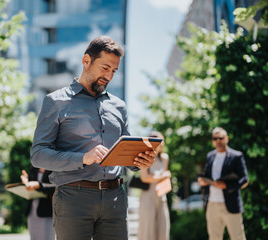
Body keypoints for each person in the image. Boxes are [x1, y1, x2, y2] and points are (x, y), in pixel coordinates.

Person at [30, 36, 156, 240]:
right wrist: (82, 158)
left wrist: (139, 161)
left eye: (114, 71)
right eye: (105, 67)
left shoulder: (119, 106)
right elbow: (38, 155)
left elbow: (124, 151)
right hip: (73, 198)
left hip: (115, 198)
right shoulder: (56, 102)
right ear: (86, 61)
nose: (109, 76)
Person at [198, 127, 248, 240]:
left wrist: (227, 186)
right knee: (214, 237)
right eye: (215, 138)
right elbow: (206, 175)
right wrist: (203, 181)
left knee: (238, 237)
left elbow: (244, 179)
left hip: (230, 204)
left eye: (220, 138)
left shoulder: (236, 156)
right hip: (212, 204)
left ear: (227, 139)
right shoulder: (210, 156)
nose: (218, 141)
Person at [138, 131, 171, 240]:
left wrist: (164, 177)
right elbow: (145, 178)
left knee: (163, 230)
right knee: (148, 231)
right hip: (148, 198)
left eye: (160, 141)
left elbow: (163, 178)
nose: (159, 144)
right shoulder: (144, 156)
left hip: (161, 197)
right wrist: (163, 176)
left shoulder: (165, 158)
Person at [20, 167, 55, 240]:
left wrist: (39, 185)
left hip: (47, 211)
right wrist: (26, 181)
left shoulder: (54, 166)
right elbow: (30, 184)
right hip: (32, 211)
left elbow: (57, 186)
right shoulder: (34, 167)